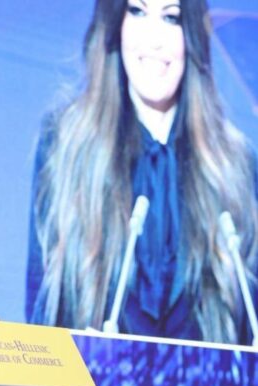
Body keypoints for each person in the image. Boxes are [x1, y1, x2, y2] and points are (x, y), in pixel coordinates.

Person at [25, 0, 257, 345]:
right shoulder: (65, 147)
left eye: (171, 17)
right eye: (137, 11)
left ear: (192, 33)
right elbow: (41, 322)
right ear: (115, 24)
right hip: (94, 381)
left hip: (206, 382)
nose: (154, 39)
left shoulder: (234, 166)